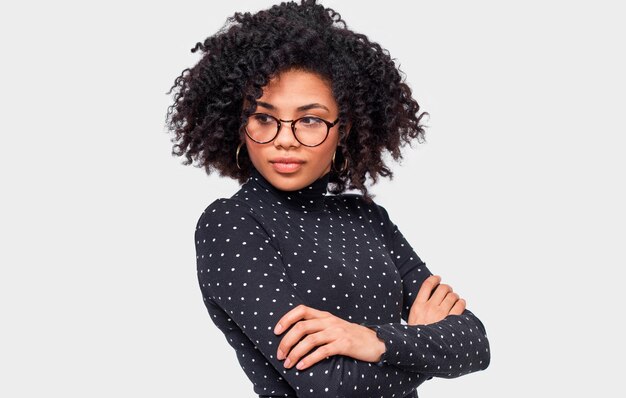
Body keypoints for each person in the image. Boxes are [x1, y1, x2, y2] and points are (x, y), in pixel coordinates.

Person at [165, 1, 490, 396]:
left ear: (343, 128)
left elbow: (475, 343)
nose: (285, 138)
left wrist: (374, 341)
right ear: (239, 123)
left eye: (310, 120)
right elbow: (328, 387)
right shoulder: (232, 223)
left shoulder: (367, 218)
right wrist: (418, 340)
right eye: (265, 118)